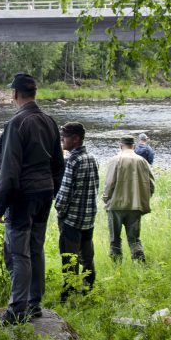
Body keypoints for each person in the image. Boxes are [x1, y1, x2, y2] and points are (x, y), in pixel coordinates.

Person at [0, 73, 65, 324]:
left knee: (18, 252)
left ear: (15, 94)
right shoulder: (49, 121)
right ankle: (34, 304)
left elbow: (9, 169)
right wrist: (51, 190)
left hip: (23, 196)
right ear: (34, 93)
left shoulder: (17, 124)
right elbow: (59, 164)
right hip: (44, 194)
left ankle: (17, 310)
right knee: (36, 248)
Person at [54, 122, 99, 302]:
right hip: (89, 218)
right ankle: (89, 288)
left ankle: (68, 294)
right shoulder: (93, 158)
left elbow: (64, 194)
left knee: (69, 259)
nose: (62, 140)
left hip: (72, 220)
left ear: (76, 139)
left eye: (64, 136)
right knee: (87, 256)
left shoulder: (72, 160)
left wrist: (59, 211)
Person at [103, 135, 156, 262]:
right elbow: (152, 184)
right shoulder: (142, 161)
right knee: (134, 239)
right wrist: (144, 198)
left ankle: (116, 267)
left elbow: (109, 183)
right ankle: (140, 265)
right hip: (135, 206)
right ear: (134, 146)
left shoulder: (115, 160)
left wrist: (106, 198)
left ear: (120, 146)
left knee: (114, 239)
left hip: (116, 205)